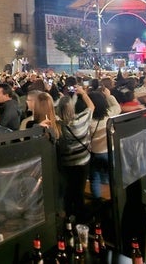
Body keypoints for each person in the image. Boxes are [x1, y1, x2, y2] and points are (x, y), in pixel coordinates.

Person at [56, 86, 94, 222]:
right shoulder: (81, 120)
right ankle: (81, 219)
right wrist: (83, 93)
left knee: (67, 192)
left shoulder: (57, 125)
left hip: (66, 163)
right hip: (82, 161)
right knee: (79, 191)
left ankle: (68, 218)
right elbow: (91, 107)